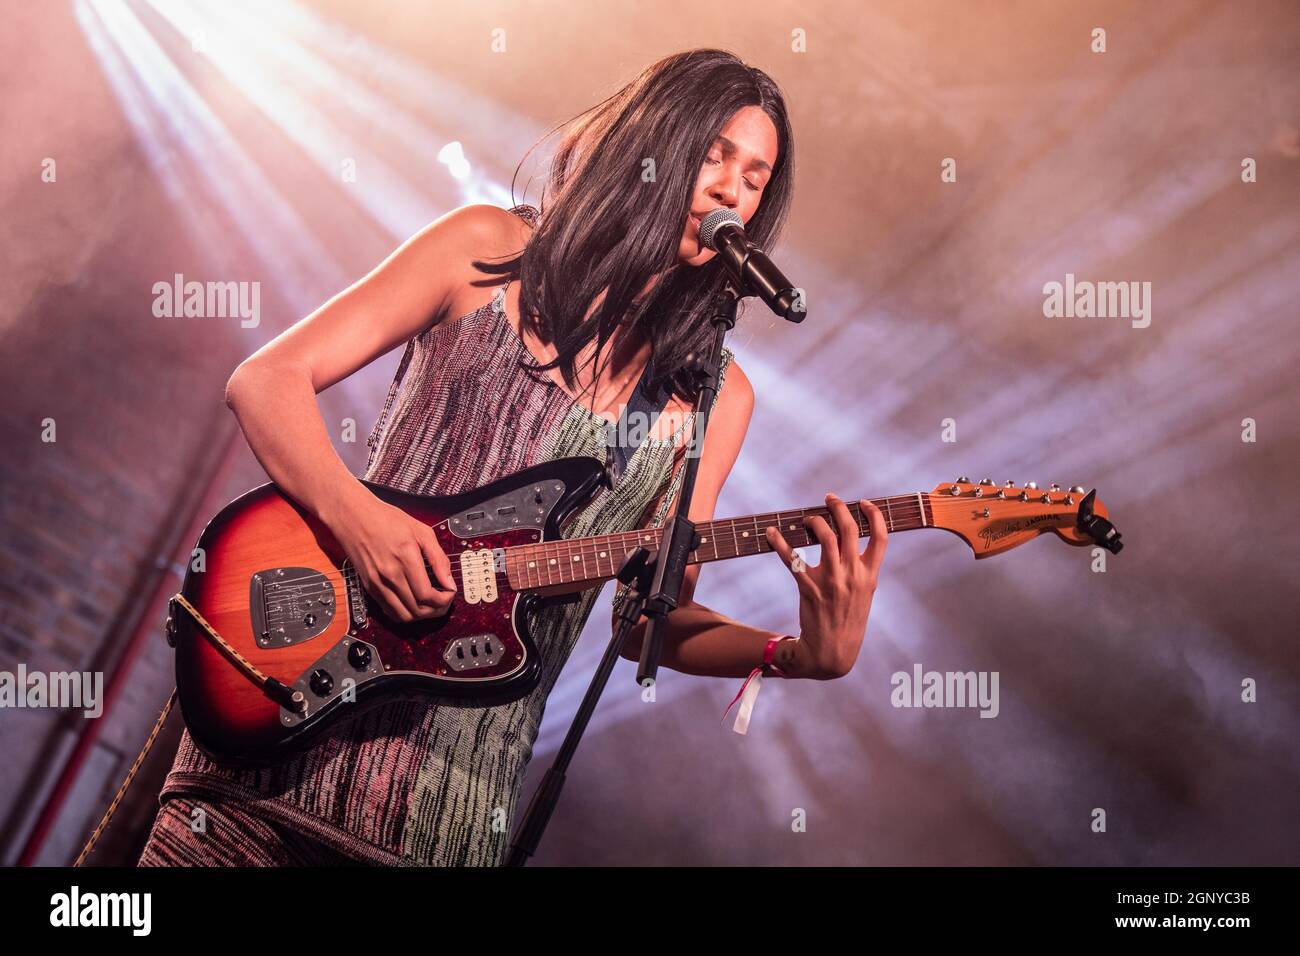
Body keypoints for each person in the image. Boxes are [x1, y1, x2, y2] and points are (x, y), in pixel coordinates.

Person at [137, 48, 887, 867]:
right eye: (714, 155)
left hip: (440, 830)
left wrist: (796, 655)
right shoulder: (485, 249)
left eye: (755, 176)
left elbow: (646, 622)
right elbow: (266, 380)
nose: (730, 190)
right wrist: (362, 524)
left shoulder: (712, 397)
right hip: (264, 767)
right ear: (654, 141)